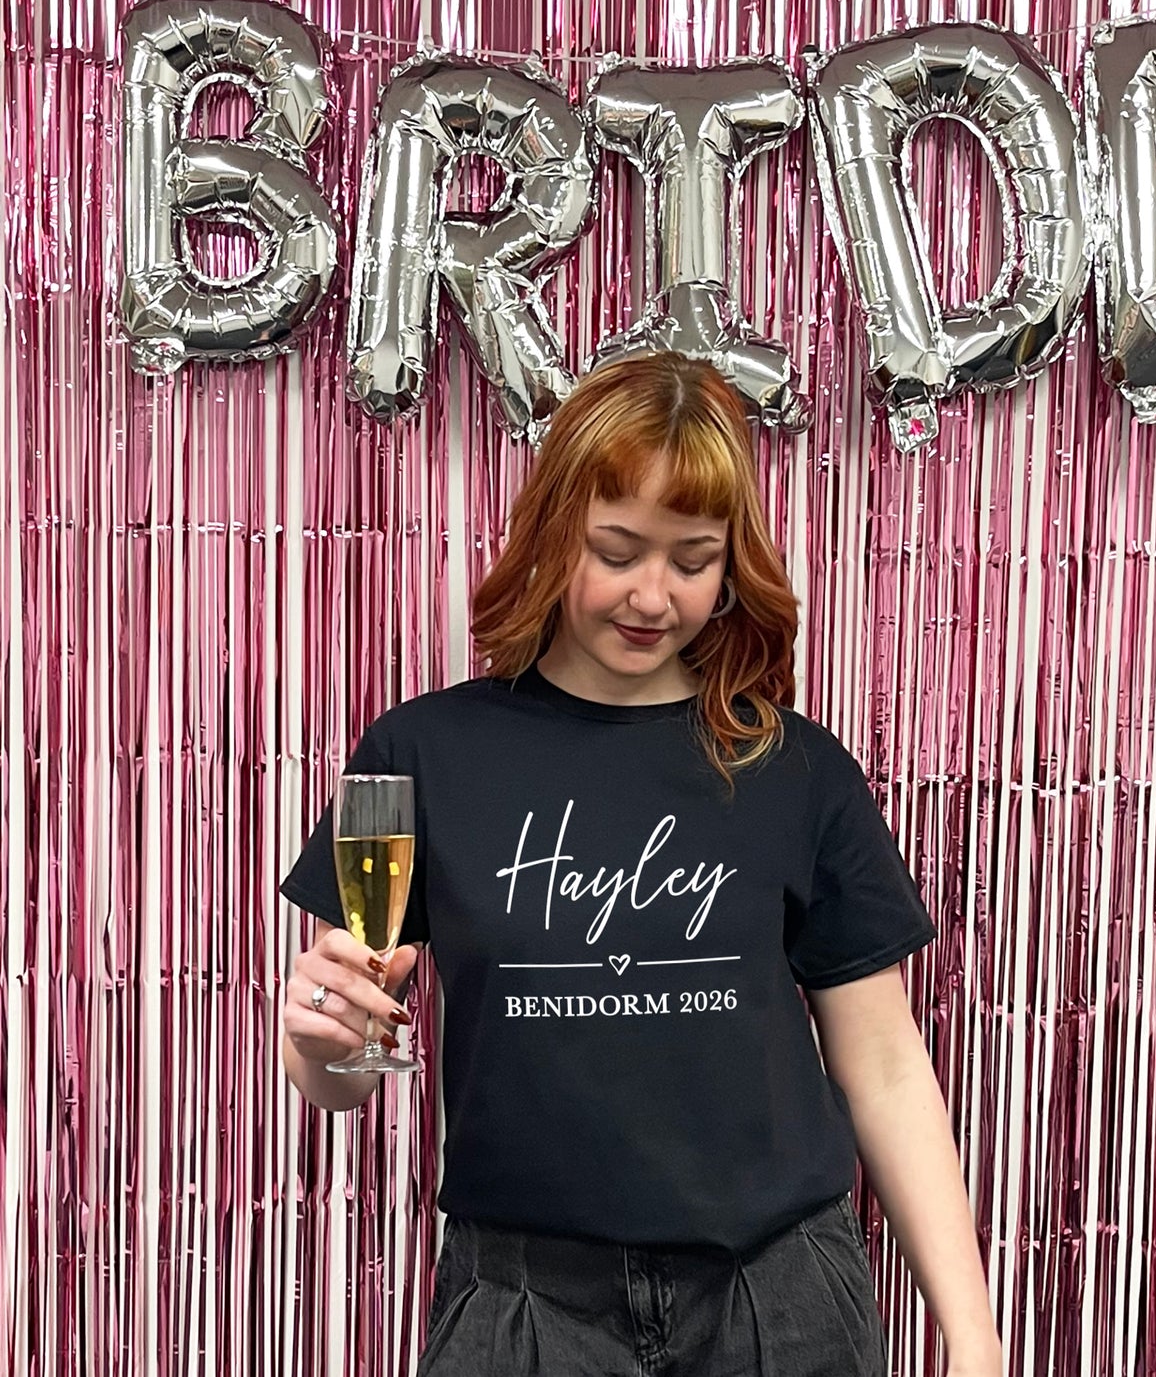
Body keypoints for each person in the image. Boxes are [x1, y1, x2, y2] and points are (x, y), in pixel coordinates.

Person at [279, 352, 1001, 1377]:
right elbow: (343, 1060)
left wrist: (972, 1337)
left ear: (729, 564)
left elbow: (884, 1063)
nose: (650, 594)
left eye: (691, 558)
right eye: (615, 549)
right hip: (522, 1307)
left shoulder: (794, 768)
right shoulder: (416, 755)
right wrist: (314, 1038)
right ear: (552, 529)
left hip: (778, 1298)